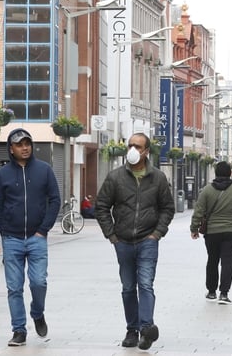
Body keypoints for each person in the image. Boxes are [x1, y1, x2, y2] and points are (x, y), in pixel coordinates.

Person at [95, 132, 175, 350]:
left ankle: (146, 329)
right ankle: (132, 329)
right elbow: (101, 206)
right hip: (123, 241)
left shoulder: (157, 177)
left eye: (138, 146)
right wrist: (111, 235)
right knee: (128, 287)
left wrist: (157, 233)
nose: (132, 149)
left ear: (146, 151)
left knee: (146, 284)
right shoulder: (115, 177)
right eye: (130, 145)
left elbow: (168, 208)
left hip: (148, 240)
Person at [0, 128, 61, 347]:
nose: (25, 147)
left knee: (39, 282)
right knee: (14, 287)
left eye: (27, 143)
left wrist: (43, 229)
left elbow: (55, 200)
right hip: (11, 238)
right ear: (11, 148)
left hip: (37, 238)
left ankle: (37, 313)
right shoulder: (4, 175)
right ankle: (19, 330)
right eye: (19, 144)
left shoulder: (44, 170)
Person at [190, 161, 232, 305]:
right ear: (230, 173)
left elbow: (198, 212)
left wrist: (194, 229)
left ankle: (211, 292)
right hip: (231, 231)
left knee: (212, 260)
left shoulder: (206, 190)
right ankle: (224, 293)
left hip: (212, 232)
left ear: (216, 173)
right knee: (228, 262)